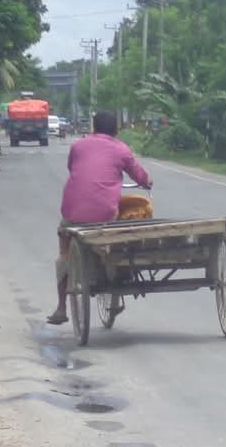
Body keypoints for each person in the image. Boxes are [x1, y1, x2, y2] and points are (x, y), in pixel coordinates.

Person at [47, 112, 152, 325]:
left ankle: (61, 307)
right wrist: (147, 182)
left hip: (73, 213)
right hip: (104, 214)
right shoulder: (121, 149)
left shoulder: (78, 146)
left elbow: (72, 168)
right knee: (117, 230)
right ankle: (116, 280)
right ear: (116, 130)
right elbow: (138, 174)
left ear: (94, 128)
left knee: (64, 252)